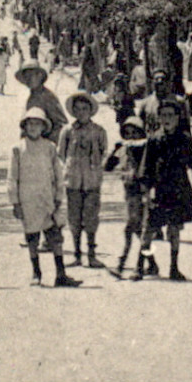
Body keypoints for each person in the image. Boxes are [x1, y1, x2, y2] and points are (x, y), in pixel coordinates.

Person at [7, 109, 82, 288]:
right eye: (30, 124)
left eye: (37, 124)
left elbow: (57, 174)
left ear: (43, 127)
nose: (33, 127)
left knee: (55, 236)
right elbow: (12, 177)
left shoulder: (49, 147)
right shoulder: (18, 149)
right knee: (32, 237)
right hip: (27, 200)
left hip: (47, 199)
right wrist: (15, 202)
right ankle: (36, 272)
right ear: (25, 126)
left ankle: (61, 274)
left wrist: (58, 197)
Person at [136, 98, 192, 282]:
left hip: (178, 188)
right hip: (158, 189)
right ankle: (139, 267)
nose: (166, 119)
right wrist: (147, 190)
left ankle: (174, 268)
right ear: (158, 117)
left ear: (177, 117)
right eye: (163, 115)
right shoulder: (154, 140)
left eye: (170, 115)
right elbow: (146, 167)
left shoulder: (184, 140)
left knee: (174, 230)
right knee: (148, 229)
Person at [59, 90, 110, 268]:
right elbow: (62, 154)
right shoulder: (67, 131)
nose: (81, 112)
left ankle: (92, 254)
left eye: (84, 109)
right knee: (74, 217)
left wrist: (95, 166)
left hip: (92, 180)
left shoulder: (98, 131)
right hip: (73, 180)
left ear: (90, 110)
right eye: (77, 109)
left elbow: (104, 151)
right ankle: (77, 254)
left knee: (91, 217)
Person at [104, 117, 154, 279]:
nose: (131, 137)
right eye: (127, 133)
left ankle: (122, 263)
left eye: (134, 133)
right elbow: (108, 167)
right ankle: (152, 262)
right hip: (129, 193)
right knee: (139, 231)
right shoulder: (124, 150)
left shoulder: (145, 149)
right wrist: (115, 151)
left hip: (142, 192)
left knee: (131, 228)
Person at [13, 60, 67, 143]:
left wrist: (46, 143)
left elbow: (61, 124)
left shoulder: (48, 96)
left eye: (31, 76)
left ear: (40, 76)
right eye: (26, 77)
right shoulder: (32, 96)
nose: (28, 80)